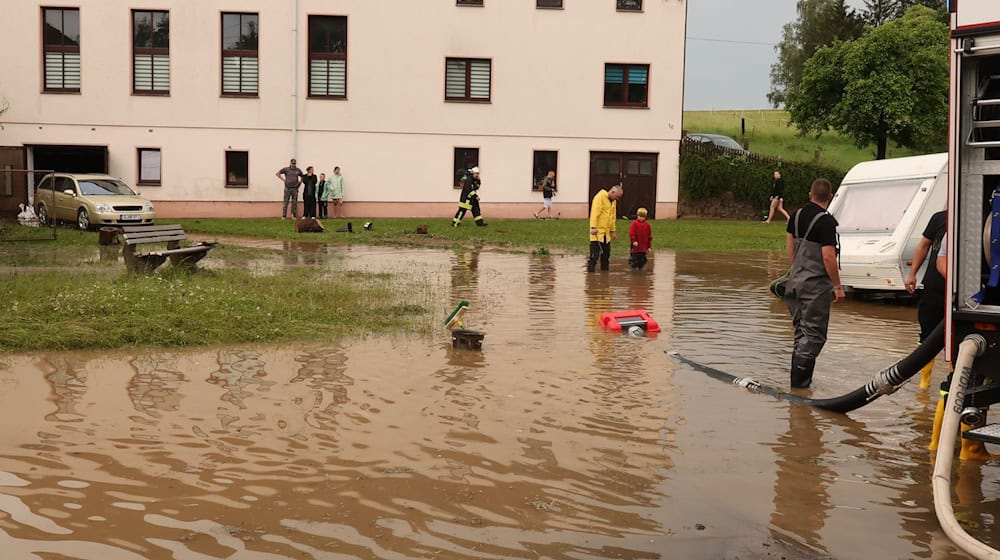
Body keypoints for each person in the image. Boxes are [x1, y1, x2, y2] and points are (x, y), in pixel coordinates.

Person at [785, 178, 845, 388]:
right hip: (814, 286)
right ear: (830, 197)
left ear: (810, 194)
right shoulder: (826, 222)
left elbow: (790, 248)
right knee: (814, 337)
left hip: (794, 282)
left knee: (801, 333)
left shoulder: (796, 215)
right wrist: (837, 286)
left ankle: (797, 387)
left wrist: (795, 272)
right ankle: (800, 388)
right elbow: (828, 256)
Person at [904, 210, 946, 389]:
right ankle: (924, 385)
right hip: (933, 287)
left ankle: (954, 381)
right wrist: (912, 274)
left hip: (962, 293)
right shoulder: (939, 217)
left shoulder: (979, 218)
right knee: (926, 336)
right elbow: (923, 245)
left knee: (959, 340)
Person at [587, 184, 623, 272]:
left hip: (606, 235)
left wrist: (613, 231)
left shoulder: (613, 202)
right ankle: (591, 277)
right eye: (617, 197)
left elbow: (612, 217)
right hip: (597, 233)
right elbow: (594, 213)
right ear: (613, 192)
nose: (617, 199)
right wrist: (593, 227)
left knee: (606, 256)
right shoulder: (600, 197)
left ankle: (604, 278)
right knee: (594, 256)